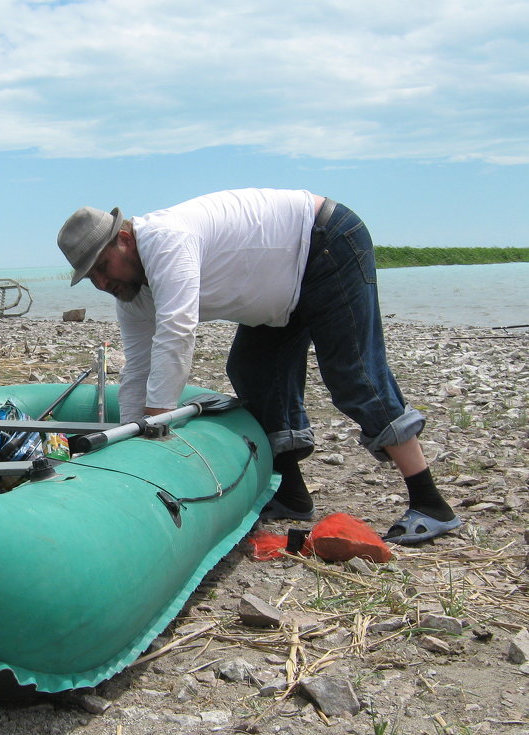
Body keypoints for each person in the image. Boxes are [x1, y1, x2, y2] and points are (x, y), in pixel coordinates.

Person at [57, 189, 460, 545]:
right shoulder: (133, 292)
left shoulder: (166, 241)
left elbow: (177, 331)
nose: (100, 283)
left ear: (124, 239)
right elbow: (138, 367)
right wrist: (129, 441)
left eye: (102, 267)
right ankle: (293, 496)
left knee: (353, 375)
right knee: (251, 370)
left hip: (325, 244)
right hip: (281, 290)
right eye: (89, 276)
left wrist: (155, 420)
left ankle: (431, 504)